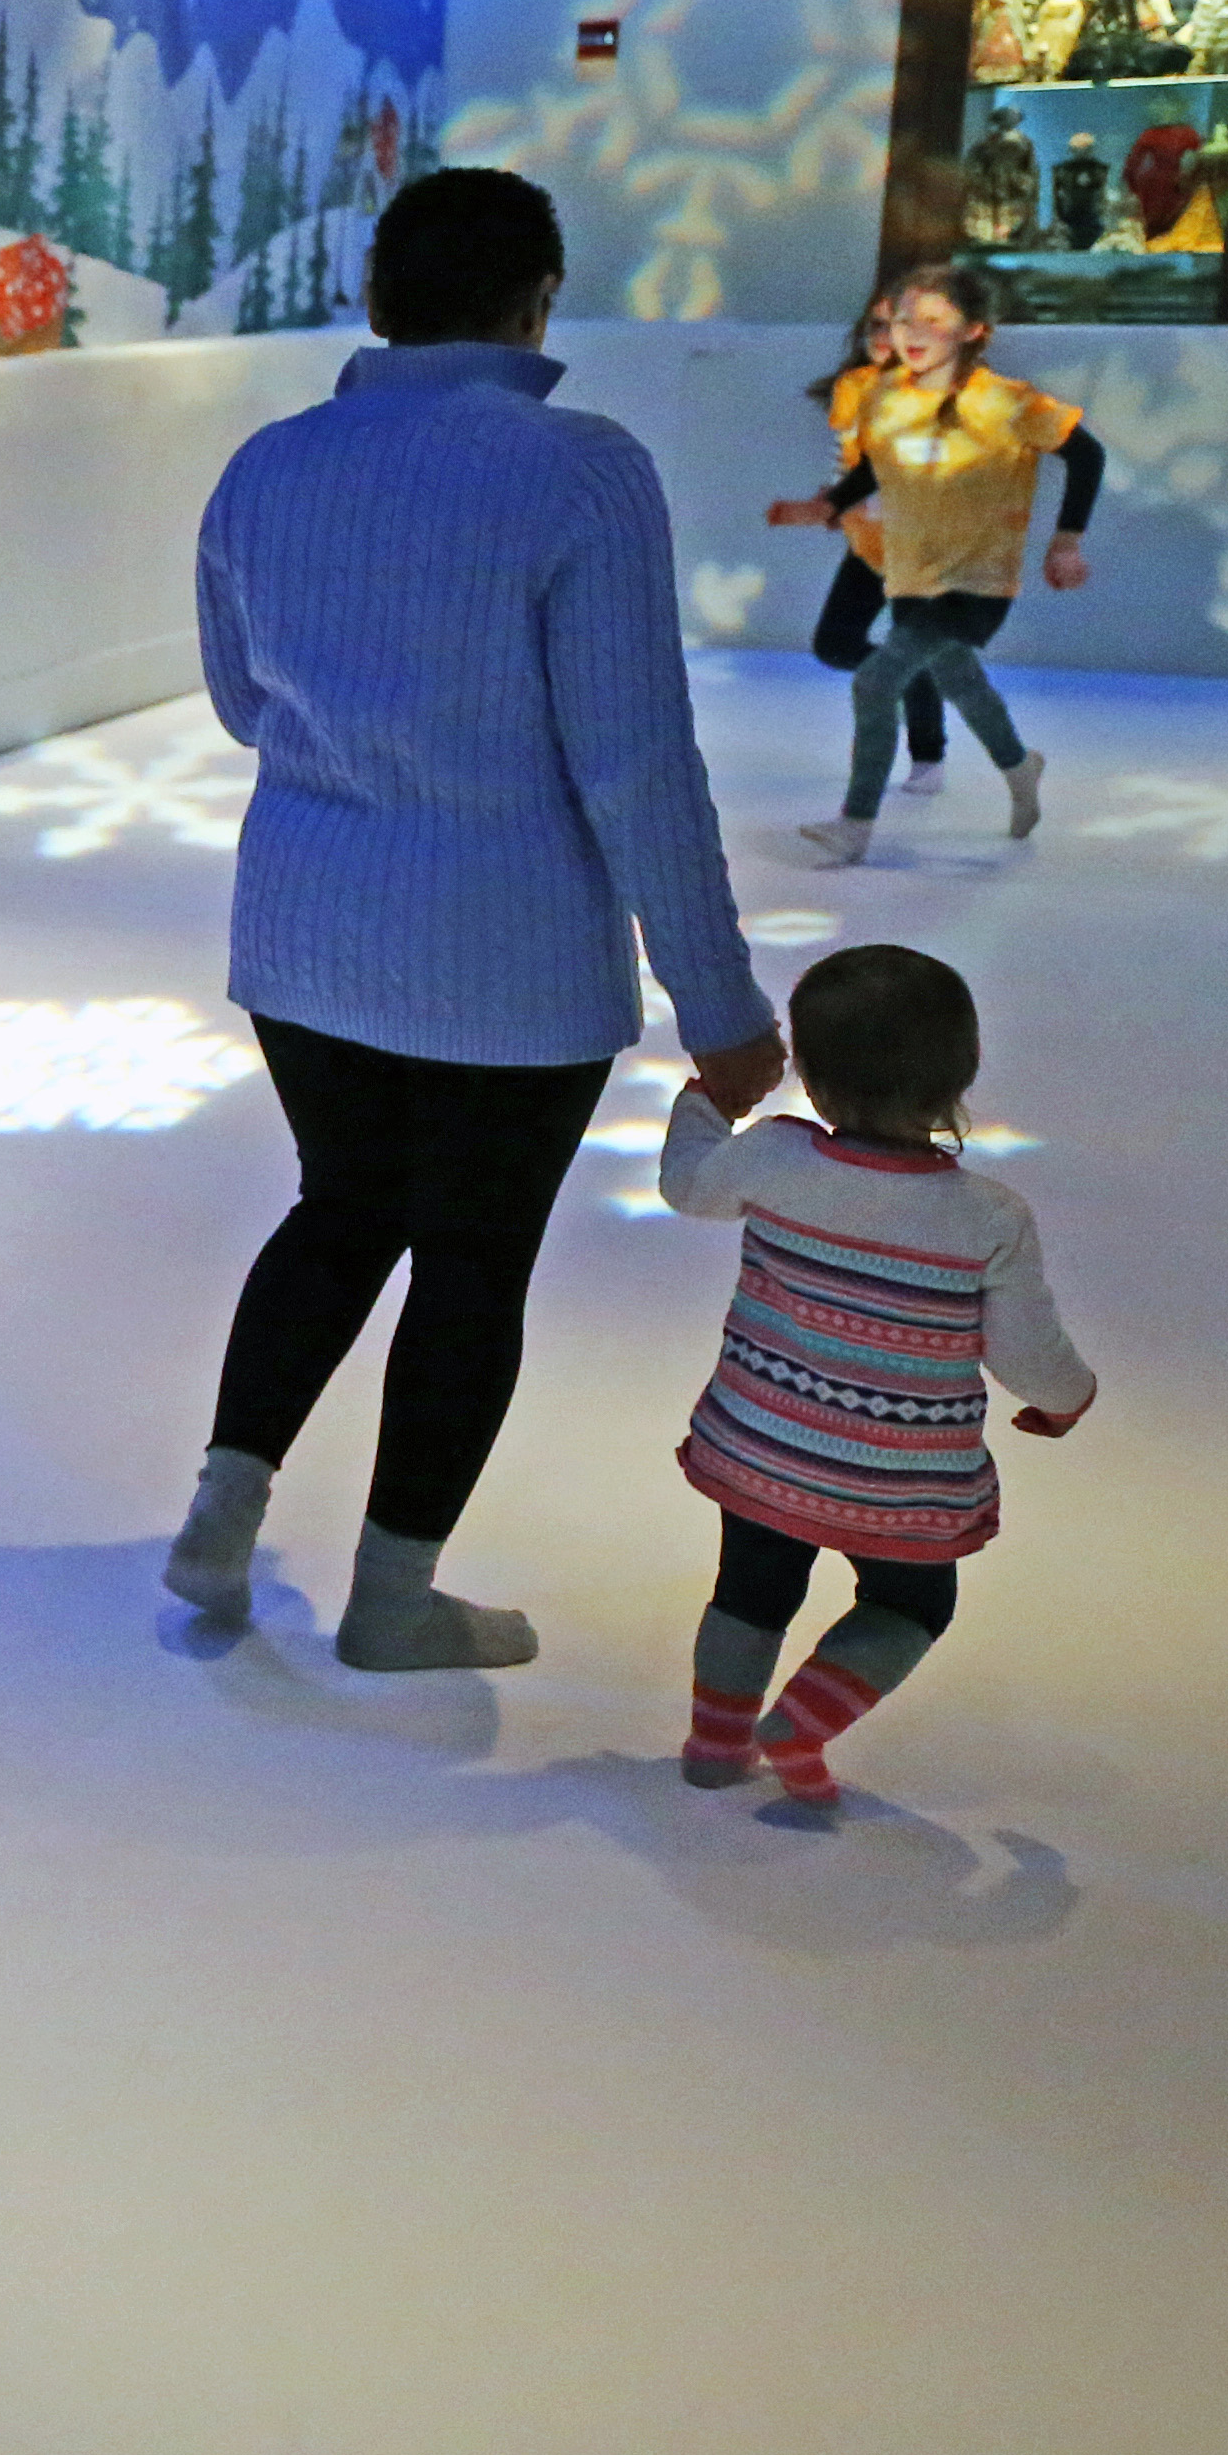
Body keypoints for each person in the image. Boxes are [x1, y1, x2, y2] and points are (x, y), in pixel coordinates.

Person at [163, 168, 783, 1670]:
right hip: (510, 964)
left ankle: (223, 1515)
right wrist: (718, 1001)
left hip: (306, 938)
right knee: (470, 1265)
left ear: (378, 296)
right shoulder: (581, 470)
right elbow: (636, 759)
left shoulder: (270, 463)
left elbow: (243, 702)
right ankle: (391, 1599)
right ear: (535, 305)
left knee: (338, 1211)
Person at [660, 942, 1093, 1806]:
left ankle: (714, 1747)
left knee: (749, 1593)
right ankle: (801, 1723)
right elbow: (1022, 1352)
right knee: (909, 1606)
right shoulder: (989, 1218)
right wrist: (1067, 1400)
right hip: (901, 1481)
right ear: (962, 1074)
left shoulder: (774, 1159)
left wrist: (704, 1104)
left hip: (764, 1448)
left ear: (811, 1078)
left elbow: (688, 1187)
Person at [767, 263, 1102, 866]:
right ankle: (1020, 767)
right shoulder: (885, 396)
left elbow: (1086, 454)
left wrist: (1066, 540)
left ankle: (855, 825)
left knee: (876, 681)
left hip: (977, 581)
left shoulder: (1006, 401)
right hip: (911, 573)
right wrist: (827, 506)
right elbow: (876, 467)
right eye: (901, 320)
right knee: (961, 682)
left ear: (974, 330)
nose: (910, 333)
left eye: (931, 320)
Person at [797, 296, 945, 790]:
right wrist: (837, 501)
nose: (882, 337)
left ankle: (928, 756)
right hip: (871, 537)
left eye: (895, 328)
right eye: (876, 327)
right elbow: (856, 461)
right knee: (835, 642)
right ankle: (912, 690)